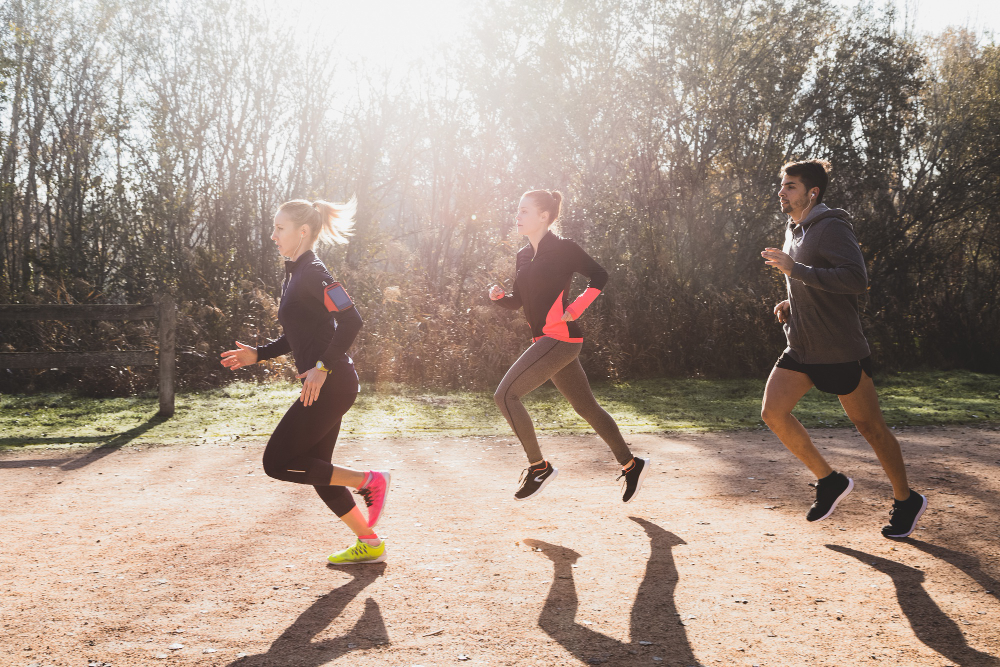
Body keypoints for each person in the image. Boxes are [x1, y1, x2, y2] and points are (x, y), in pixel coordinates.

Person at [760, 160, 927, 538]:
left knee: (870, 427)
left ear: (812, 192)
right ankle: (829, 480)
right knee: (773, 412)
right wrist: (793, 302)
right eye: (782, 185)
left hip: (839, 349)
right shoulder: (794, 229)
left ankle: (906, 500)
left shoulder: (831, 226)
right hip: (801, 345)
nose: (781, 192)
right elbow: (810, 279)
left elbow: (855, 279)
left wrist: (795, 271)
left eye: (790, 186)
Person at [221, 197, 391, 564]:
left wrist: (323, 366)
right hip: (327, 383)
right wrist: (259, 354)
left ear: (302, 231)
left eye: (279, 228)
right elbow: (297, 334)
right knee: (317, 469)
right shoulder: (294, 274)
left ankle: (369, 481)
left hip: (333, 382)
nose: (273, 235)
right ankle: (370, 542)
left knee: (277, 462)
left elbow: (352, 319)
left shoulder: (314, 272)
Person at [488, 189, 649, 502]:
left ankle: (539, 468)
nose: (517, 216)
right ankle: (632, 465)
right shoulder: (523, 255)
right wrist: (499, 297)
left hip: (560, 338)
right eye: (517, 210)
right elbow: (518, 301)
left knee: (505, 396)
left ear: (544, 216)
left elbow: (599, 275)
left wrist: (576, 308)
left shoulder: (564, 248)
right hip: (546, 342)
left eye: (524, 211)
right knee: (586, 407)